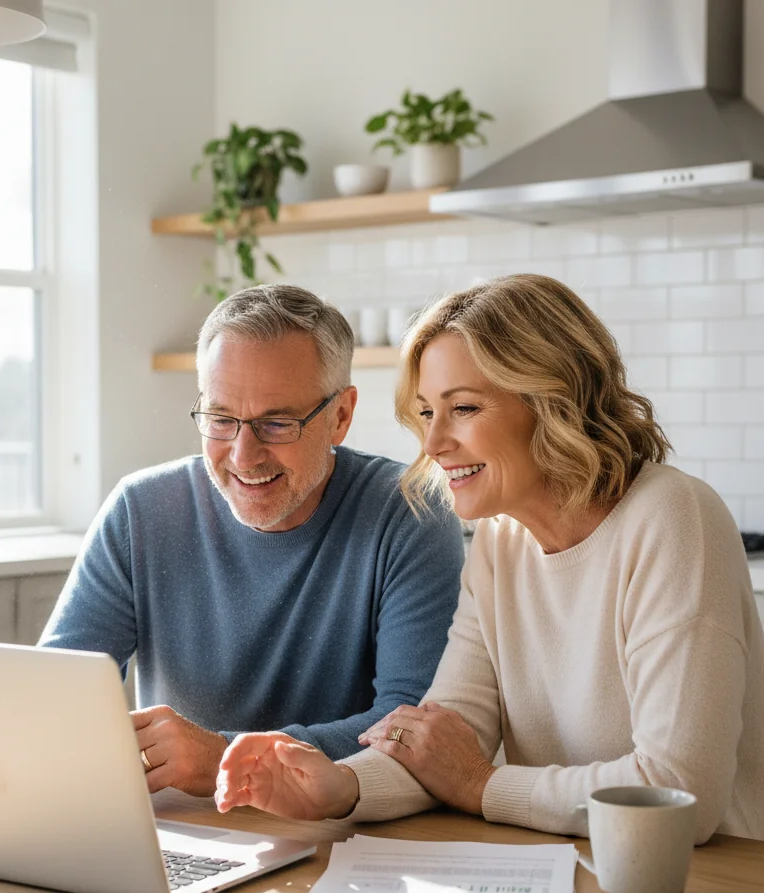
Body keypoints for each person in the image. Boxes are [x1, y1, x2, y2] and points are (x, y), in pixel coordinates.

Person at [215, 274, 764, 844]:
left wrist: (482, 786)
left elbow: (680, 793)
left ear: (553, 404)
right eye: (427, 412)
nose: (433, 444)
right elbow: (446, 738)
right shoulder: (501, 542)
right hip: (576, 871)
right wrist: (337, 787)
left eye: (465, 408)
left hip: (710, 890)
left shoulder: (673, 518)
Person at [41, 284, 464, 798]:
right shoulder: (140, 510)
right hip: (182, 830)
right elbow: (57, 698)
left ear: (341, 416)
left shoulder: (411, 512)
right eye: (221, 419)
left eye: (276, 424)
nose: (243, 455)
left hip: (345, 832)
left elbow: (407, 729)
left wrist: (225, 758)